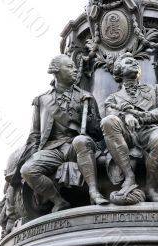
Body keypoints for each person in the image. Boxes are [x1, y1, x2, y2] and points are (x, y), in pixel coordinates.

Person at [20, 54, 108, 213]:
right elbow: (35, 134)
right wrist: (31, 155)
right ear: (56, 70)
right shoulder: (41, 100)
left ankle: (94, 192)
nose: (75, 70)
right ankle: (59, 201)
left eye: (74, 67)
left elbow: (97, 132)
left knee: (81, 140)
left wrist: (90, 121)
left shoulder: (86, 97)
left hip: (76, 146)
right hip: (52, 148)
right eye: (69, 67)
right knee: (27, 170)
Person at [101, 52, 158, 202]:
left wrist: (139, 116)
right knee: (108, 121)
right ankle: (129, 177)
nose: (135, 64)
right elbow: (111, 113)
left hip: (151, 129)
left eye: (136, 62)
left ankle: (150, 188)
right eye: (129, 62)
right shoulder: (113, 98)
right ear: (119, 70)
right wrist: (125, 116)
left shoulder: (156, 89)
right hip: (126, 133)